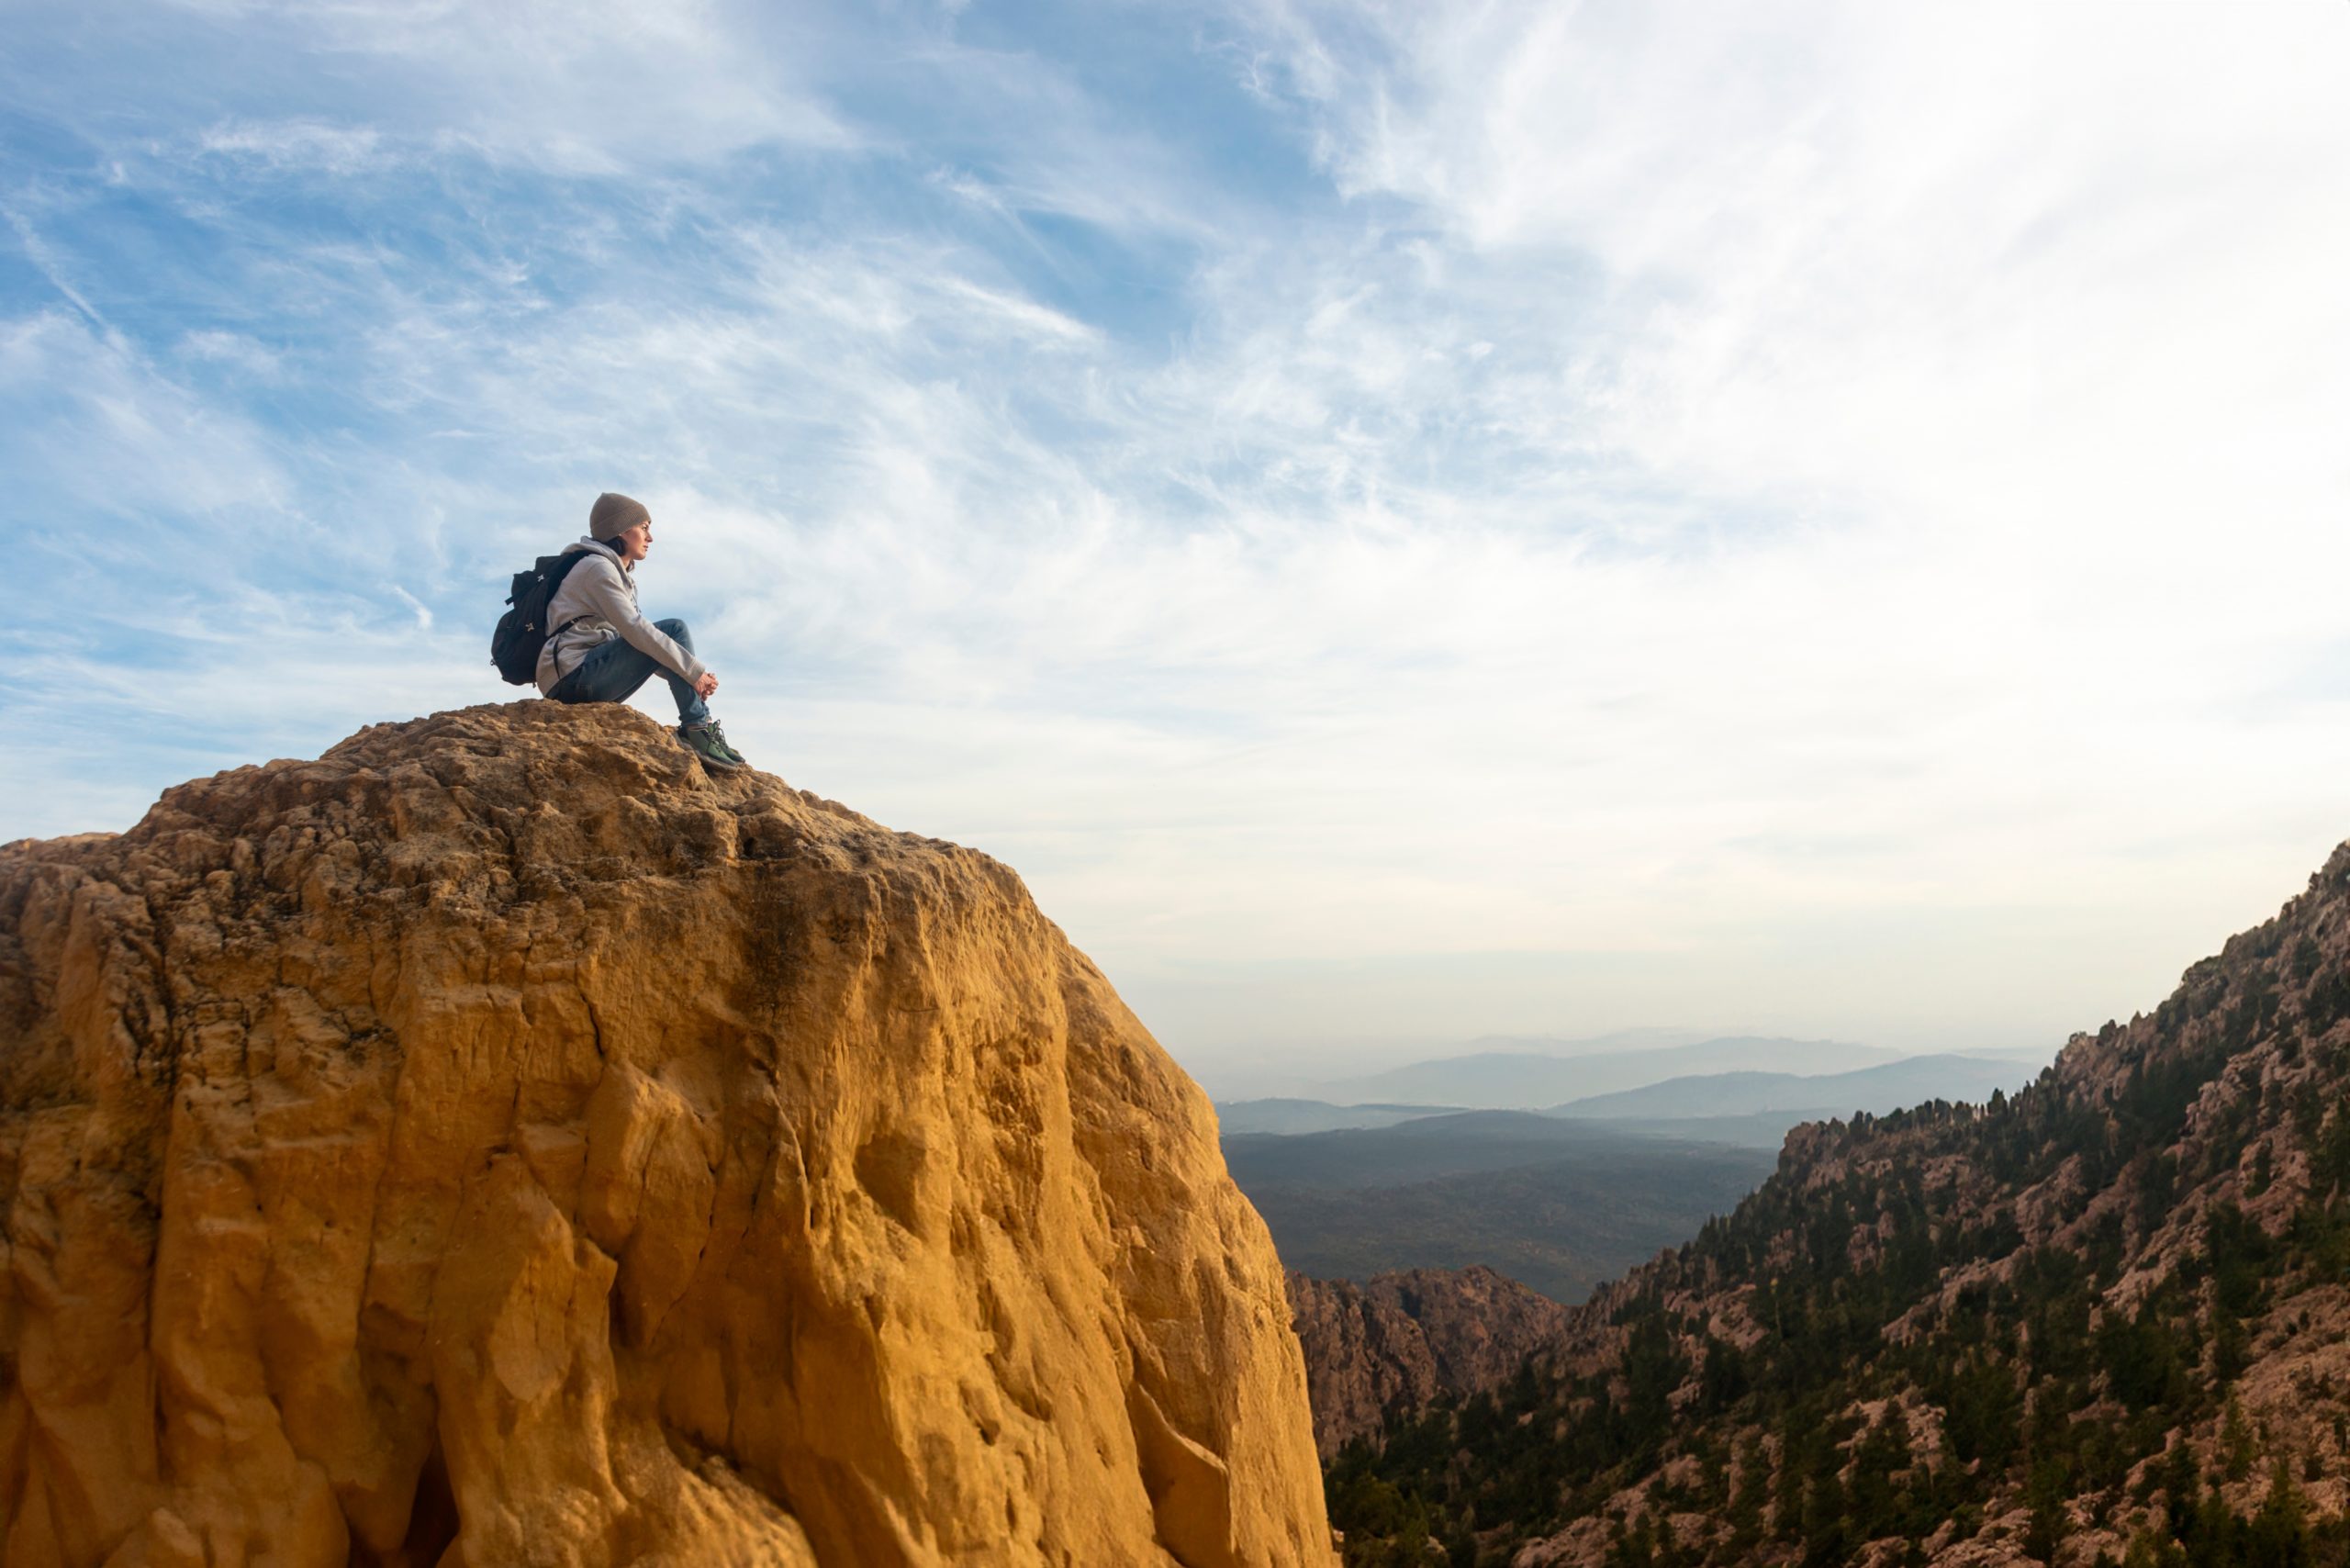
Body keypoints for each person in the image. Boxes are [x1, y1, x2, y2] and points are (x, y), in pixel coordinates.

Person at [536, 492, 751, 771]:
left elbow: (641, 645)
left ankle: (700, 726)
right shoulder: (596, 568)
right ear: (621, 531)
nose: (650, 538)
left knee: (669, 637)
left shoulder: (618, 576)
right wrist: (693, 672)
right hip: (572, 676)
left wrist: (690, 675)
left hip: (584, 675)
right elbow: (637, 631)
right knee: (674, 629)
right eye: (644, 528)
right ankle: (697, 727)